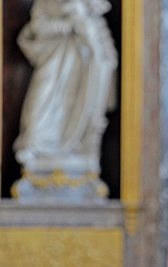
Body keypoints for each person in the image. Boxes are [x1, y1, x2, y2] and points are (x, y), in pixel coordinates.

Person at [14, 0, 117, 174]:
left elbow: (105, 53)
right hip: (53, 61)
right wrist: (68, 25)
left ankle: (77, 147)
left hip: (81, 69)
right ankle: (33, 144)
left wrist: (86, 30)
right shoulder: (46, 3)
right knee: (41, 100)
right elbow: (38, 27)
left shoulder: (90, 7)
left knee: (78, 105)